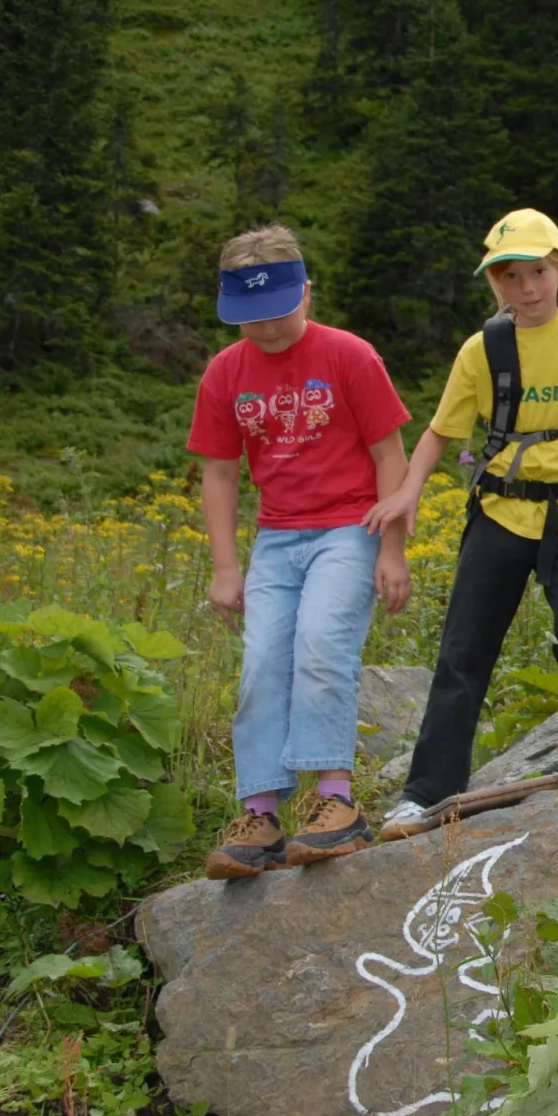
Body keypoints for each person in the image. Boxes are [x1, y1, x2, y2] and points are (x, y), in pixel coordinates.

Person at [366, 208, 558, 840]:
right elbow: (440, 432)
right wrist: (409, 492)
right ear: (495, 282)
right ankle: (426, 792)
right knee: (465, 647)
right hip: (501, 509)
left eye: (537, 272)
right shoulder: (482, 350)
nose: (527, 288)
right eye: (511, 276)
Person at [189, 224, 412, 880]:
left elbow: (389, 455)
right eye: (250, 317)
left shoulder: (350, 356)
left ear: (307, 293)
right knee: (262, 661)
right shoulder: (225, 372)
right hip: (276, 538)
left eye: (278, 312)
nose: (266, 328)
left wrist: (392, 550)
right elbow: (219, 472)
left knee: (321, 643)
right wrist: (225, 569)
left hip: (351, 527)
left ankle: (336, 799)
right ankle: (259, 814)